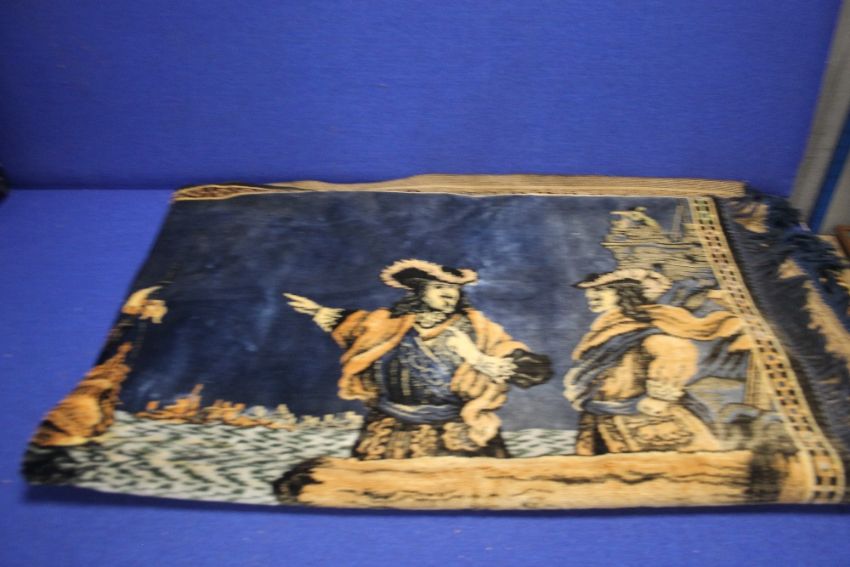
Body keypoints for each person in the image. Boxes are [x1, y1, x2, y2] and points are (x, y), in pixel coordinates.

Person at [285, 258, 552, 459]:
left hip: (456, 430)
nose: (449, 294)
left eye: (455, 289)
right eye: (439, 287)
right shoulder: (388, 324)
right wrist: (318, 311)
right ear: (418, 291)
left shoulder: (478, 330)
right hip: (391, 430)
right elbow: (352, 324)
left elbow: (533, 370)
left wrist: (476, 357)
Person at [564, 269, 746, 455]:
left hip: (648, 418)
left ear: (624, 291)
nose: (591, 295)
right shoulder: (607, 329)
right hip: (606, 414)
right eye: (590, 291)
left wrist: (660, 397)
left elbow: (677, 350)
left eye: (601, 289)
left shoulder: (639, 326)